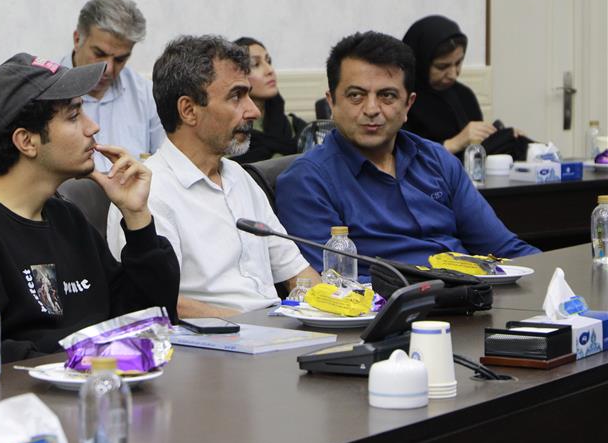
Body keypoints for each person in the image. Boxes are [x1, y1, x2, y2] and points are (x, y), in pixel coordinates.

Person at [0, 53, 179, 379]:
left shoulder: (68, 218)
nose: (93, 127)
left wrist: (137, 217)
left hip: (93, 389)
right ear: (26, 141)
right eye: (73, 116)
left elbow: (146, 319)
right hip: (19, 399)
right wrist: (72, 362)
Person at [276, 32, 538, 280]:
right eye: (356, 95)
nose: (371, 109)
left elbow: (504, 248)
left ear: (408, 105)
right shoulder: (307, 181)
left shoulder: (437, 160)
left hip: (476, 296)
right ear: (331, 102)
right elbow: (335, 285)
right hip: (395, 306)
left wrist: (553, 276)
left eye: (387, 96)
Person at [107, 35, 319, 317]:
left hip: (274, 328)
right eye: (236, 96)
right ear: (188, 110)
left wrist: (342, 308)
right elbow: (163, 303)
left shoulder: (240, 177)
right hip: (214, 339)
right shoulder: (148, 193)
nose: (253, 111)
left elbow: (297, 274)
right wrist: (257, 327)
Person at [402, 14, 528, 159]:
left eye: (458, 63)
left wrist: (502, 137)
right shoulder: (402, 101)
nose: (453, 74)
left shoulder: (463, 95)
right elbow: (401, 156)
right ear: (420, 63)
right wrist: (454, 143)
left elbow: (479, 152)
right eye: (442, 66)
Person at [62, 0, 164, 170]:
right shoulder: (45, 90)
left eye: (120, 59)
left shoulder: (147, 95)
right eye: (99, 54)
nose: (108, 69)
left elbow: (164, 163)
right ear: (77, 39)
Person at [229, 36, 307, 165]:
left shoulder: (294, 126)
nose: (269, 70)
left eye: (268, 61)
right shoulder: (229, 136)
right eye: (256, 64)